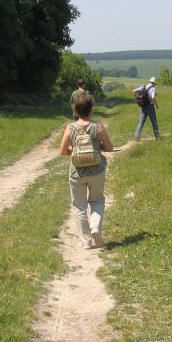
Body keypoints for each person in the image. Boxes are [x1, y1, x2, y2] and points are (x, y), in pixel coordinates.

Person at [59, 93, 113, 249]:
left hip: (77, 172)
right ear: (91, 109)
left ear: (75, 110)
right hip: (97, 171)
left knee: (79, 207)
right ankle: (95, 228)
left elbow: (62, 151)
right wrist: (97, 149)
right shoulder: (98, 126)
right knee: (97, 200)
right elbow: (109, 148)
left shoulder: (70, 128)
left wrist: (75, 154)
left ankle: (86, 241)